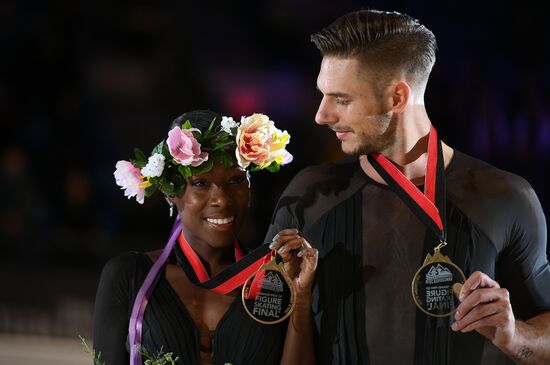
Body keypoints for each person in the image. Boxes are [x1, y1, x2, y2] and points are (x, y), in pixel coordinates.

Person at [265, 10, 550, 365]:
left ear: (397, 98)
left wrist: (514, 335)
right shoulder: (309, 196)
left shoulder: (506, 197)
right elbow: (264, 339)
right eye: (323, 96)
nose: (321, 115)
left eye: (341, 99)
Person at [93, 110, 317, 365]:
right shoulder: (129, 276)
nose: (222, 199)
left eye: (235, 180)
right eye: (201, 183)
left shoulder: (274, 280)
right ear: (170, 192)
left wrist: (301, 297)